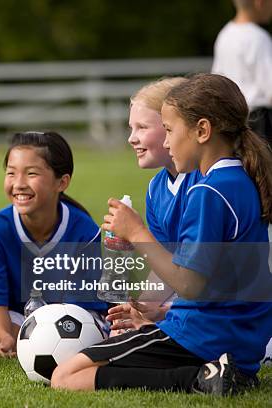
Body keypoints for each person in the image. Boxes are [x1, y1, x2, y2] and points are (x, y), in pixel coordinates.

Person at [51, 74, 272, 395]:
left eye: (168, 130)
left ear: (202, 131)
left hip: (203, 336)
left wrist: (137, 232)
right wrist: (157, 310)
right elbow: (221, 281)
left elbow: (190, 284)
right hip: (234, 336)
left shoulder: (208, 192)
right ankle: (215, 372)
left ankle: (199, 380)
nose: (167, 142)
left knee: (66, 376)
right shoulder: (239, 179)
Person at [0, 131, 107, 357]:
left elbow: (77, 309)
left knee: (74, 349)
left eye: (31, 173)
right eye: (11, 173)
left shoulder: (84, 231)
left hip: (74, 315)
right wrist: (4, 337)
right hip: (20, 316)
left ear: (62, 182)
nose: (19, 184)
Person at [108, 77, 200, 335]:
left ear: (173, 127)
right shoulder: (156, 188)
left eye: (142, 128)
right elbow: (165, 266)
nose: (131, 139)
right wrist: (140, 310)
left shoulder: (205, 182)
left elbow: (203, 279)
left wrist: (136, 232)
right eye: (130, 128)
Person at [212, 0, 272, 146]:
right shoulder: (258, 38)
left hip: (233, 120)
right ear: (260, 3)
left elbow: (216, 80)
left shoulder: (225, 35)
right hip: (259, 122)